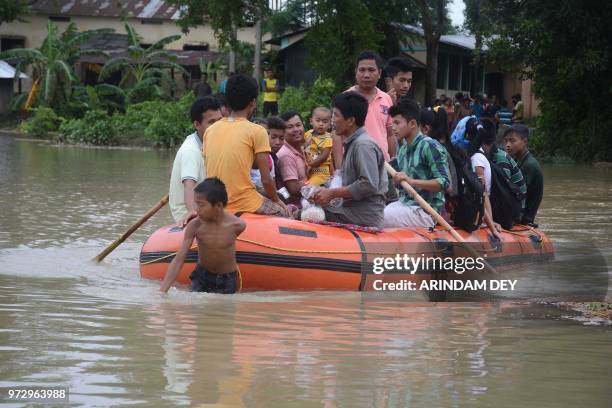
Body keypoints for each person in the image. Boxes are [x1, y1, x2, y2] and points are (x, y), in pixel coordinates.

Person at [204, 74, 290, 217]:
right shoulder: (257, 131)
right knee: (285, 214)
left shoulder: (210, 130)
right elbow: (267, 180)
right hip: (243, 202)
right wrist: (277, 201)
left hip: (215, 201)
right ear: (253, 102)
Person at [312, 92, 387, 227]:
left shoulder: (363, 145)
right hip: (350, 209)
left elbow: (368, 184)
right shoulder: (354, 143)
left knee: (307, 214)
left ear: (351, 121)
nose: (332, 120)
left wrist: (333, 193)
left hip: (363, 215)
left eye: (336, 115)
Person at [160, 178, 246, 294]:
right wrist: (162, 291)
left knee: (224, 310)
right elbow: (179, 259)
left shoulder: (237, 226)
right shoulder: (195, 226)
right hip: (202, 277)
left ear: (218, 206)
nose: (197, 209)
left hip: (227, 280)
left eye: (201, 205)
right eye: (196, 204)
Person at [383, 99, 449, 228]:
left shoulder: (430, 145)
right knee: (373, 212)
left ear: (412, 123)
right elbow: (386, 172)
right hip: (405, 205)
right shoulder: (403, 150)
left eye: (397, 123)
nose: (393, 127)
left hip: (426, 212)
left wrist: (411, 181)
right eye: (392, 123)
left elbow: (443, 182)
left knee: (381, 217)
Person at [332, 50, 394, 170]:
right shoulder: (344, 98)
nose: (366, 75)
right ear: (356, 72)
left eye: (371, 70)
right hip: (354, 166)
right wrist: (340, 169)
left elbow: (390, 134)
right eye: (362, 70)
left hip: (383, 166)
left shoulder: (386, 99)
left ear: (379, 73)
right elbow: (336, 135)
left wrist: (393, 160)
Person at [169, 97, 222, 226]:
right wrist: (192, 211)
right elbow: (189, 184)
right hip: (189, 212)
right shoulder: (191, 151)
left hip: (208, 204)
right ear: (197, 124)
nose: (217, 127)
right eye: (212, 122)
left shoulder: (208, 142)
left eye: (220, 121)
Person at [480, 118, 527, 229]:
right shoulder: (489, 157)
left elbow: (502, 192)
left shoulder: (500, 159)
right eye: (506, 141)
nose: (508, 145)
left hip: (516, 211)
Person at [463, 120, 502, 239]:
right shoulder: (478, 156)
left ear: (468, 136)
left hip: (481, 212)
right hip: (481, 211)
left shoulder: (476, 159)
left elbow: (482, 193)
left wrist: (490, 222)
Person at [504, 124, 543, 225]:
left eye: (512, 141)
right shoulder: (517, 160)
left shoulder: (529, 165)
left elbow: (516, 194)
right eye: (506, 141)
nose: (508, 145)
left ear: (524, 142)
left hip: (523, 218)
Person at [278, 111, 309, 205]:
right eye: (290, 127)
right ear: (283, 131)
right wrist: (316, 187)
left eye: (298, 125)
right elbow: (294, 188)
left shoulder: (305, 148)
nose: (296, 129)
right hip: (298, 207)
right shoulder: (285, 154)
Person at [304, 107, 333, 186]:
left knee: (307, 188)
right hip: (308, 170)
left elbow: (323, 157)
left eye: (325, 122)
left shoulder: (328, 138)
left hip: (321, 172)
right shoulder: (308, 134)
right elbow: (302, 148)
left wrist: (311, 165)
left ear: (330, 124)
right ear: (311, 121)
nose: (321, 124)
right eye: (318, 121)